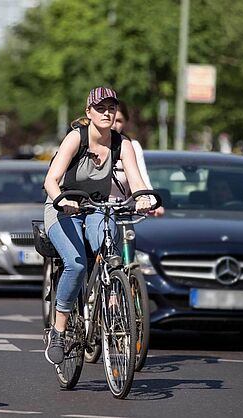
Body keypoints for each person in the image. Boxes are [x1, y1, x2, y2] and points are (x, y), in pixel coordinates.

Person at [43, 87, 151, 365]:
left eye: (111, 108)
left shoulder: (122, 143)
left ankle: (108, 305)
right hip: (63, 208)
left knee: (108, 254)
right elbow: (51, 181)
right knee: (76, 264)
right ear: (88, 112)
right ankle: (59, 330)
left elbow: (136, 181)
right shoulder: (75, 138)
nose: (107, 112)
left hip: (97, 208)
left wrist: (142, 198)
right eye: (101, 108)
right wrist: (62, 201)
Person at [110, 101, 164, 216]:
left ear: (125, 123)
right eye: (110, 119)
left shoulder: (131, 146)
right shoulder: (87, 143)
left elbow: (141, 178)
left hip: (120, 210)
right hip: (92, 209)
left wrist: (151, 202)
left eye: (119, 121)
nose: (113, 125)